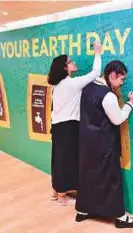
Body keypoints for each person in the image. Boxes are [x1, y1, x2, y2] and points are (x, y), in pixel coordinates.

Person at [75, 60, 133, 228]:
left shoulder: (88, 87)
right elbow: (118, 119)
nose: (121, 84)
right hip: (104, 144)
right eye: (121, 80)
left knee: (88, 176)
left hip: (86, 141)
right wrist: (130, 103)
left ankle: (83, 211)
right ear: (112, 75)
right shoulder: (108, 96)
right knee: (111, 178)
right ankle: (120, 217)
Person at [47, 41, 102, 206]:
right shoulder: (72, 83)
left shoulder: (56, 85)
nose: (74, 62)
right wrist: (97, 52)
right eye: (70, 61)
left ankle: (56, 192)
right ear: (65, 68)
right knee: (65, 160)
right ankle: (62, 196)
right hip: (68, 126)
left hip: (57, 126)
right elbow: (96, 72)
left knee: (58, 159)